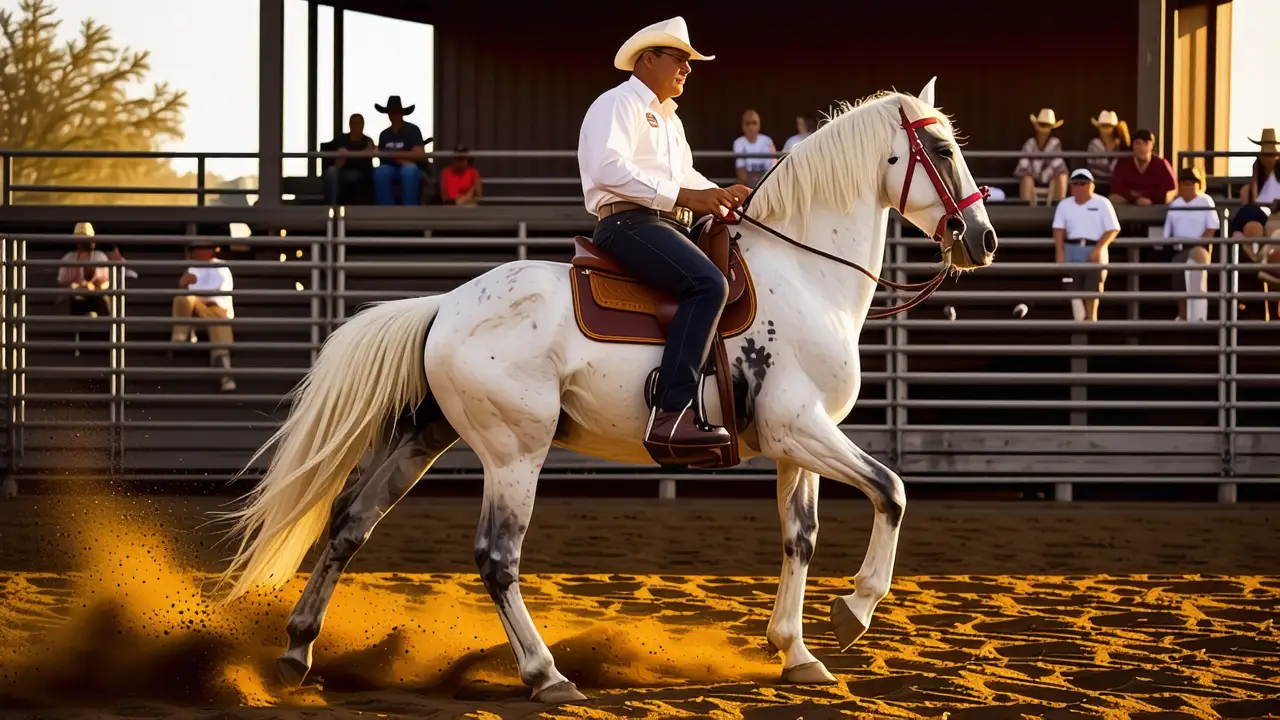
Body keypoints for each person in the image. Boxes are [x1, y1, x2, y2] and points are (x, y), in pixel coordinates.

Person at [577, 16, 752, 454]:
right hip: (628, 222)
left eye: (690, 61)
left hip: (667, 223)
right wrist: (688, 196)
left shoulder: (670, 120)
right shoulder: (618, 103)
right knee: (708, 284)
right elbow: (607, 167)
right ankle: (674, 414)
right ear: (648, 59)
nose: (688, 68)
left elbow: (684, 175)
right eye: (680, 58)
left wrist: (718, 193)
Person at [1053, 168, 1120, 322]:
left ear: (1092, 185)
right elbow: (1058, 229)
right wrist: (1060, 252)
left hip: (1094, 248)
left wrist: (1100, 248)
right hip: (1071, 248)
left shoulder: (1103, 203)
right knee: (1070, 284)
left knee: (1093, 286)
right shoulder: (1064, 205)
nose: (1079, 186)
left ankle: (1091, 319)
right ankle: (1079, 318)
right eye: (1075, 183)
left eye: (1083, 183)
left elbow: (1113, 229)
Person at [172, 241, 236, 392]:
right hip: (197, 305)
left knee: (217, 317)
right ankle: (180, 336)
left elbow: (219, 293)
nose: (194, 252)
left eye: (199, 248)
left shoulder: (221, 267)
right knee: (182, 298)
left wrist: (195, 293)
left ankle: (223, 363)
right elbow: (187, 289)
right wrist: (183, 284)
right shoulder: (193, 268)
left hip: (216, 306)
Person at [1162, 167, 1220, 322]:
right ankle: (1183, 314)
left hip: (1199, 246)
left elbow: (1212, 227)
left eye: (1192, 182)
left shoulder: (1205, 200)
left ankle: (1199, 316)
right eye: (1184, 183)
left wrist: (1201, 244)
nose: (1188, 186)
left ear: (1199, 184)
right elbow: (1167, 233)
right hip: (1178, 247)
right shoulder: (1175, 204)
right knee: (1177, 266)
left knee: (1195, 265)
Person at [372, 95, 428, 205]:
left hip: (411, 168)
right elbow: (382, 157)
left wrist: (394, 156)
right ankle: (385, 212)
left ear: (402, 113)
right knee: (380, 171)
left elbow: (420, 154)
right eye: (391, 112)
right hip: (390, 168)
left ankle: (409, 211)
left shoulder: (413, 130)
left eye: (397, 112)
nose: (394, 115)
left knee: (409, 171)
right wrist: (403, 157)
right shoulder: (384, 134)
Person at [56, 222, 113, 317]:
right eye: (82, 240)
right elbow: (62, 283)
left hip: (96, 298)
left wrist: (91, 286)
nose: (85, 243)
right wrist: (76, 287)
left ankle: (100, 330)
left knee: (99, 302)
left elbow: (104, 282)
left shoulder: (100, 256)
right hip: (73, 299)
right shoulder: (68, 258)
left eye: (87, 239)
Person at [1230, 128, 1279, 239]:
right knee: (1249, 208)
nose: (1267, 159)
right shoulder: (1257, 166)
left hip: (1274, 212)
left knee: (1249, 212)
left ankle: (1236, 229)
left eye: (1271, 155)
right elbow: (1254, 195)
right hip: (1259, 209)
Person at [1014, 109, 1069, 205]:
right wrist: (1033, 174)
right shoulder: (1030, 143)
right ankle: (1026, 210)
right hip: (1032, 177)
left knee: (1062, 176)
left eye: (1047, 126)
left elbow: (1058, 163)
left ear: (1051, 128)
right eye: (1042, 125)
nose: (1043, 130)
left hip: (1051, 177)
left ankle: (1059, 206)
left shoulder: (1055, 143)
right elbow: (1023, 164)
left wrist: (1046, 175)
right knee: (1026, 178)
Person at [1109, 128, 1177, 206]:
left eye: (1146, 143)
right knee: (1114, 198)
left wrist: (1149, 198)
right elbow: (1116, 187)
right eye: (1138, 143)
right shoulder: (1123, 163)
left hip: (1155, 205)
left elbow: (1170, 188)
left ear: (1152, 146)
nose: (1142, 148)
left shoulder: (1161, 164)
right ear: (1133, 146)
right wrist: (1135, 198)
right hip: (1129, 202)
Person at [324, 113, 376, 204]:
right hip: (342, 171)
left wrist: (348, 154)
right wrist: (339, 158)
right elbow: (335, 160)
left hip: (361, 173)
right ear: (350, 124)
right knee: (331, 172)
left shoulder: (367, 140)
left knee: (356, 177)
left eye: (359, 123)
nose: (357, 126)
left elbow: (369, 152)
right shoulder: (340, 139)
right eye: (354, 123)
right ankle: (331, 206)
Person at [1085, 110, 1130, 194]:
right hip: (1097, 183)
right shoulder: (1094, 144)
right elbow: (1093, 166)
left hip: (1119, 185)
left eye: (1109, 127)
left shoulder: (1122, 146)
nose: (1105, 130)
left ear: (1114, 129)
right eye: (1103, 126)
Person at [733, 109, 776, 187]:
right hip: (748, 183)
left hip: (765, 181)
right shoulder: (738, 142)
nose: (751, 127)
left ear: (759, 125)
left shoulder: (767, 141)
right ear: (743, 126)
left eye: (754, 123)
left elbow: (772, 167)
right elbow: (740, 171)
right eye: (747, 123)